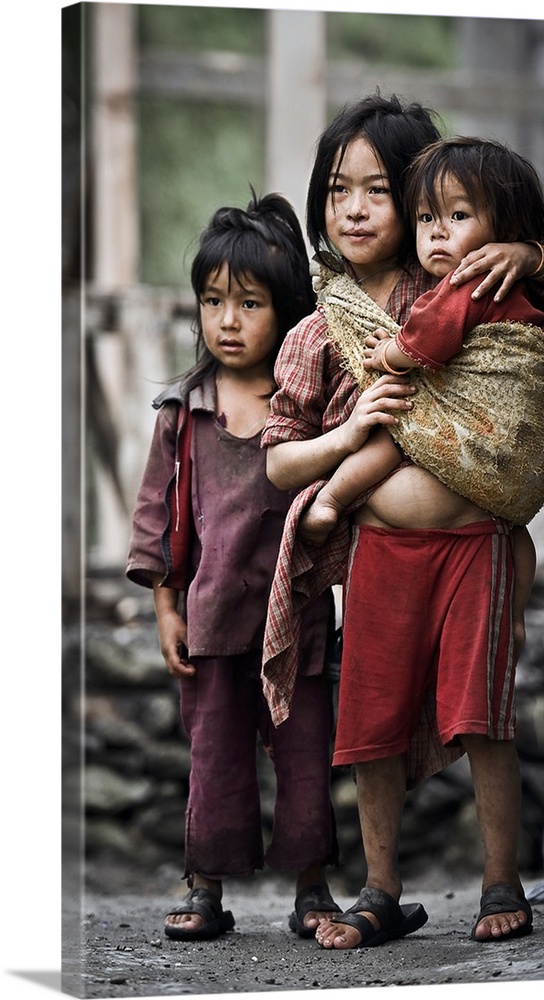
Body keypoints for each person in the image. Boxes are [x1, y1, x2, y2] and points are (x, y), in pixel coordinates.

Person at [260, 93, 544, 949]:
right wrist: (349, 432)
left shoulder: (449, 277)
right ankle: (379, 888)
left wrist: (531, 252)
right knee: (368, 718)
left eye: (379, 190)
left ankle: (499, 879)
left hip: (475, 540)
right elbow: (277, 460)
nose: (356, 208)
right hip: (379, 550)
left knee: (482, 714)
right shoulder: (317, 329)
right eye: (338, 190)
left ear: (424, 204)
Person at [126, 192, 340, 943]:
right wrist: (164, 609)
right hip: (213, 619)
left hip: (298, 622)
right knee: (213, 757)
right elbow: (154, 515)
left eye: (248, 303)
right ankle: (204, 884)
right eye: (213, 301)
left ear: (284, 311)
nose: (227, 320)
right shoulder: (183, 412)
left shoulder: (305, 406)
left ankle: (313, 888)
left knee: (307, 755)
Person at [299, 135, 544, 656]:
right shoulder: (514, 279)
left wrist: (385, 357)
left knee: (395, 432)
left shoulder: (466, 281)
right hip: (498, 466)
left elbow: (430, 339)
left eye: (459, 216)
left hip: (488, 407)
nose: (438, 232)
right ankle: (513, 616)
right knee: (513, 530)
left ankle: (331, 498)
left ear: (505, 231)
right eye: (426, 219)